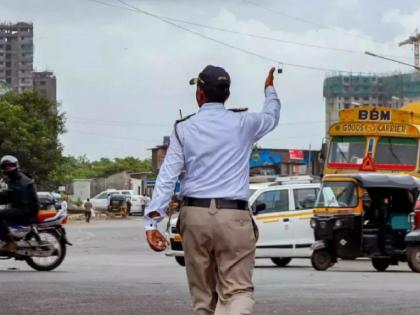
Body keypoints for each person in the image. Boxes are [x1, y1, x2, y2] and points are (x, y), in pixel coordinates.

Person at [145, 66, 281, 315]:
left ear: (199, 93)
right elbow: (272, 116)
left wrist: (152, 221)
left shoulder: (183, 128)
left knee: (203, 298)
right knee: (237, 291)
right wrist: (269, 89)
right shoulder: (245, 123)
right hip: (234, 216)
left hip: (194, 216)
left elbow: (167, 175)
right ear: (227, 95)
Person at [0, 155, 39, 252]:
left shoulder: (20, 179)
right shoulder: (13, 178)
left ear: (15, 165)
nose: (7, 168)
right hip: (21, 207)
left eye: (9, 165)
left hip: (27, 209)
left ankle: (9, 242)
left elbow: (10, 195)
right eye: (5, 166)